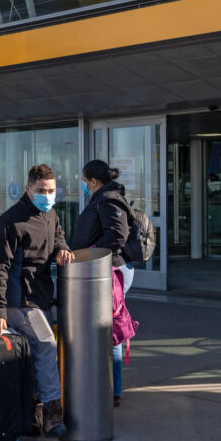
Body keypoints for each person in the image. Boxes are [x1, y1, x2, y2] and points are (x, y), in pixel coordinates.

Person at [0, 164, 73, 438]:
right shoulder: (10, 221)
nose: (47, 195)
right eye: (41, 190)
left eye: (51, 190)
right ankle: (51, 412)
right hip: (19, 301)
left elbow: (57, 237)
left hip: (42, 296)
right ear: (28, 189)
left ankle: (33, 412)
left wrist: (62, 249)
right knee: (46, 345)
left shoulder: (51, 214)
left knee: (42, 349)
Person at [71, 160, 136, 407]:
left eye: (85, 181)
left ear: (94, 181)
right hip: (105, 268)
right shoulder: (105, 197)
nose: (85, 185)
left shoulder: (108, 198)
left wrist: (92, 252)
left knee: (108, 329)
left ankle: (111, 390)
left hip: (109, 269)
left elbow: (117, 234)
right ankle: (109, 388)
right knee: (106, 327)